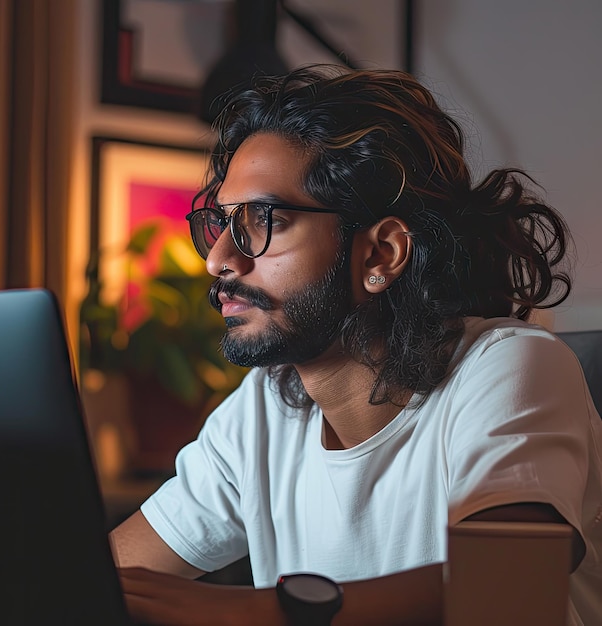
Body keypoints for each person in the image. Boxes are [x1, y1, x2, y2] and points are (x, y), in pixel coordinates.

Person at [110, 65, 602, 625]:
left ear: (380, 255)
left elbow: (512, 577)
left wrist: (257, 613)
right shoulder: (262, 409)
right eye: (221, 222)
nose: (218, 258)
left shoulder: (510, 366)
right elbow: (104, 576)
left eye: (261, 220)